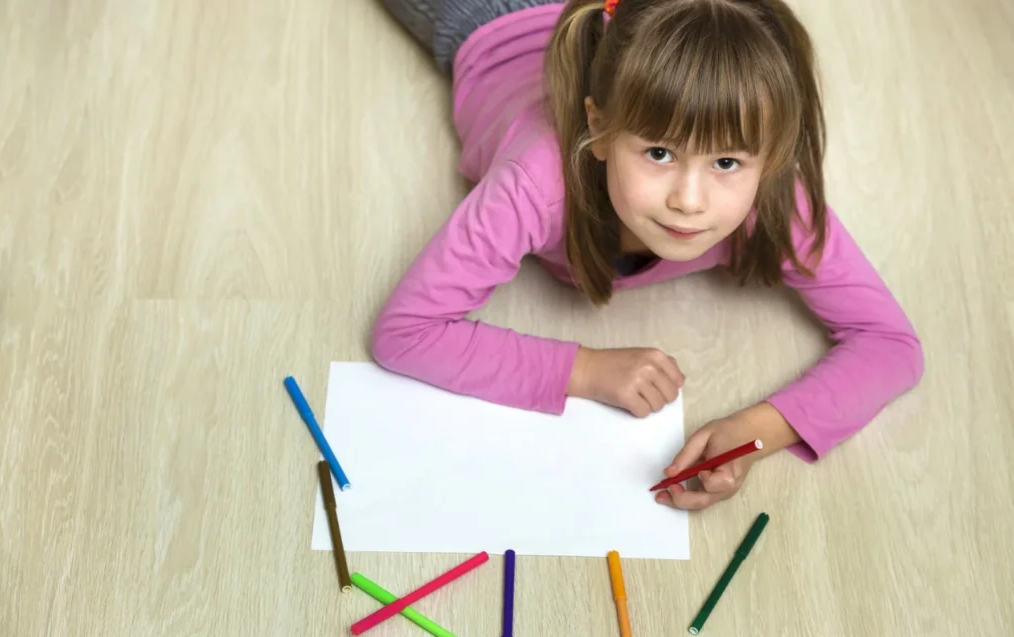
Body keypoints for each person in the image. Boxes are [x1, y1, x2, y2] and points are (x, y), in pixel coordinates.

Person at [370, 0, 924, 510]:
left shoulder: (779, 201)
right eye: (659, 153)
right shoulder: (535, 183)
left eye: (727, 163)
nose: (688, 200)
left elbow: (892, 345)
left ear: (772, 154)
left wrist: (757, 433)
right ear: (600, 128)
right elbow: (407, 332)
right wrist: (584, 370)